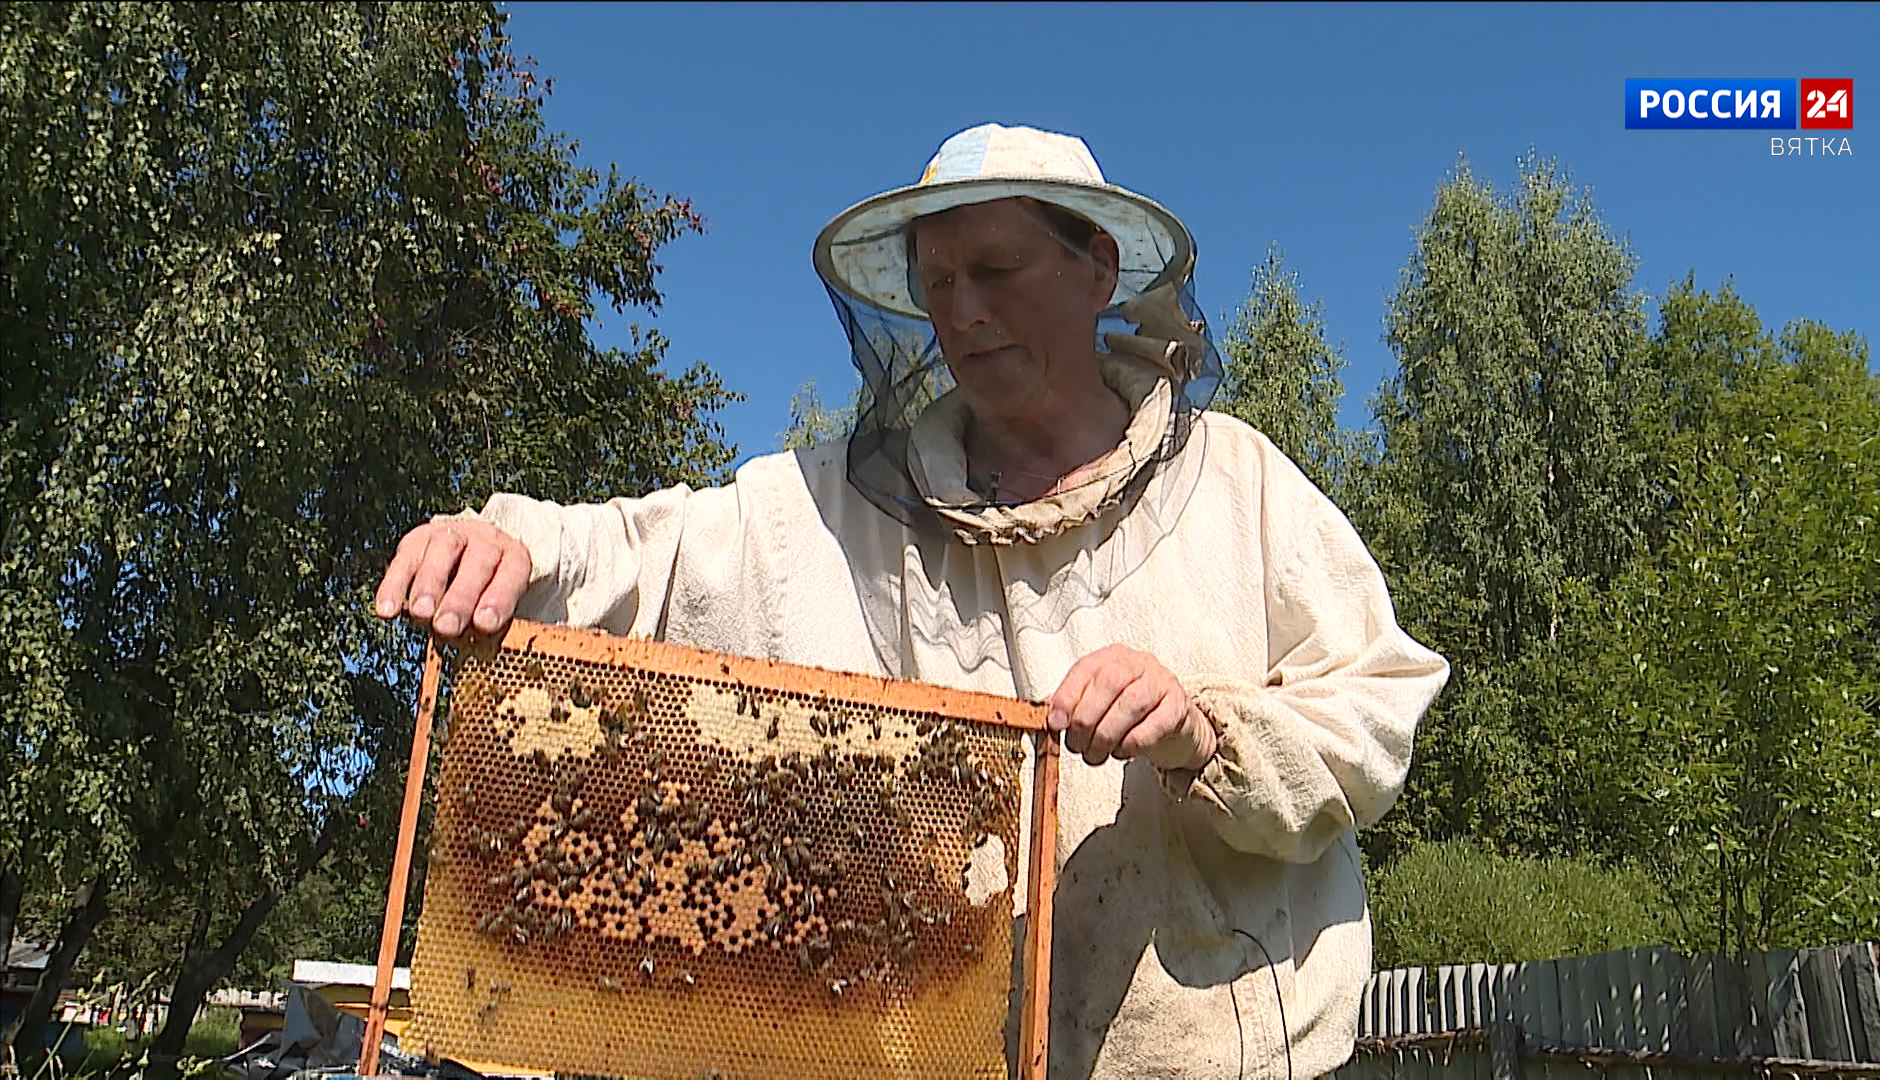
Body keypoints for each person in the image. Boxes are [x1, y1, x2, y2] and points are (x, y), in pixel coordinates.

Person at [377, 123, 1448, 1080]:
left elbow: (1371, 715)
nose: (962, 313)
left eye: (996, 269)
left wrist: (1206, 729)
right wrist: (508, 539)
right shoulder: (836, 505)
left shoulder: (1236, 486)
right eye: (937, 284)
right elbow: (644, 554)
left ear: (1098, 269)